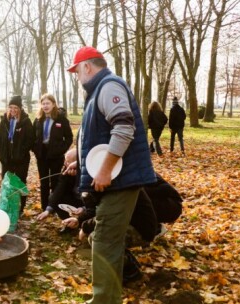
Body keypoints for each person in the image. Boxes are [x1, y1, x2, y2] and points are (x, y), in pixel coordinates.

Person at [66, 46, 156, 303]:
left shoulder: (109, 86)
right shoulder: (99, 91)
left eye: (76, 71)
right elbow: (102, 134)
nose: (76, 77)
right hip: (116, 180)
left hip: (121, 180)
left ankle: (104, 300)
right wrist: (79, 158)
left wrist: (104, 170)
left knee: (104, 240)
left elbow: (124, 127)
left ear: (87, 66)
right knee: (105, 239)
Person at [32, 94, 73, 211]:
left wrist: (61, 149)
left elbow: (69, 137)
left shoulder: (61, 119)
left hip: (56, 156)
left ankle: (53, 206)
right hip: (41, 155)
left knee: (54, 182)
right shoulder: (38, 119)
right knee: (44, 181)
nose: (45, 106)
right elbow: (32, 137)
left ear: (53, 104)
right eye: (43, 104)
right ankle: (44, 207)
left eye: (48, 103)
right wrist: (35, 149)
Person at [0, 95, 34, 214]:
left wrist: (21, 153)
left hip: (21, 160)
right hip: (6, 160)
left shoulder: (25, 122)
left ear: (20, 108)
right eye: (10, 107)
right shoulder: (4, 121)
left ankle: (20, 209)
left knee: (20, 183)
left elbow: (30, 140)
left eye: (15, 107)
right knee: (6, 183)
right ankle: (6, 207)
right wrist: (0, 153)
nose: (13, 110)